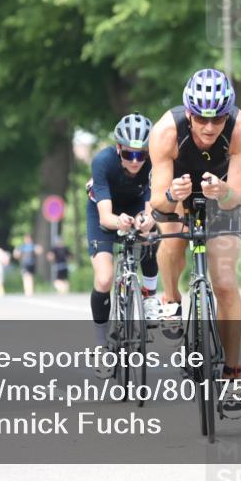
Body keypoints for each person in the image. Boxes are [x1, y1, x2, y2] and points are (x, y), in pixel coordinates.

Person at [148, 68, 241, 419]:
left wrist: (223, 191)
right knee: (172, 240)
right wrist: (170, 194)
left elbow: (236, 196)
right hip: (177, 189)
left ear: (228, 115)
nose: (209, 128)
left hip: (220, 193)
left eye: (218, 119)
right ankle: (171, 298)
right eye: (201, 118)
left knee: (224, 283)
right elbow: (157, 203)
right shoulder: (165, 132)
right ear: (188, 113)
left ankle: (233, 373)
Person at [86, 112, 159, 368]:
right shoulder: (103, 162)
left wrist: (145, 220)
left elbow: (151, 208)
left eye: (142, 154)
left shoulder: (153, 163)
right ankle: (100, 344)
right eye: (130, 154)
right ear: (118, 149)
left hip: (136, 204)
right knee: (104, 278)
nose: (136, 161)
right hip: (105, 212)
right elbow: (106, 217)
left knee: (151, 235)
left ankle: (150, 294)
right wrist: (121, 221)